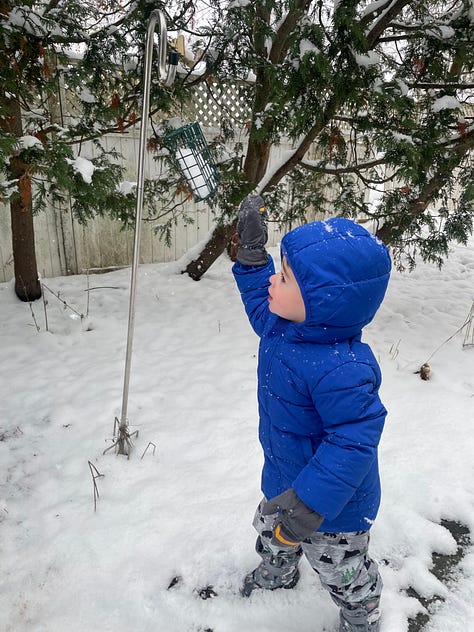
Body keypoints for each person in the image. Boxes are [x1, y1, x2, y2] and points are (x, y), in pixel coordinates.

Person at [232, 194, 392, 632]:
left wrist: (311, 504)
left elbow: (354, 442)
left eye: (282, 277)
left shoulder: (344, 369)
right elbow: (259, 303)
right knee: (270, 531)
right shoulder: (285, 326)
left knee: (339, 569)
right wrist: (252, 259)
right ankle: (278, 572)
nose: (273, 282)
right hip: (284, 476)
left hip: (332, 508)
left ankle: (362, 612)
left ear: (322, 302)